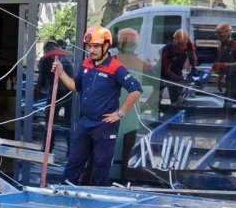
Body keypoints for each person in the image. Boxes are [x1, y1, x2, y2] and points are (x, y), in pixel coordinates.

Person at [52, 26, 143, 186]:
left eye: (95, 46)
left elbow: (135, 90)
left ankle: (97, 203)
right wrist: (61, 73)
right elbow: (75, 86)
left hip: (104, 126)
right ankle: (63, 198)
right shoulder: (86, 63)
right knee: (74, 162)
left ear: (106, 46)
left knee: (101, 167)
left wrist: (119, 114)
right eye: (89, 46)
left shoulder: (116, 67)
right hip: (85, 122)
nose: (91, 50)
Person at [160, 29, 198, 104]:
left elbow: (192, 56)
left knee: (177, 97)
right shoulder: (167, 49)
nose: (181, 47)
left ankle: (175, 108)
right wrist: (177, 79)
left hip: (177, 70)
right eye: (179, 44)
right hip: (163, 72)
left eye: (183, 44)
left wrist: (194, 68)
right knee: (156, 95)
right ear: (174, 41)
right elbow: (166, 69)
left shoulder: (189, 44)